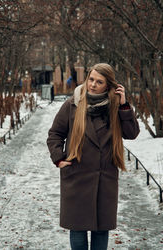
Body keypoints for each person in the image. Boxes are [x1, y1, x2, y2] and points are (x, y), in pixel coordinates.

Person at [47, 63, 140, 250]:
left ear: (108, 85)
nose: (93, 85)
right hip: (77, 176)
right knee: (78, 230)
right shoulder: (72, 104)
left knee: (101, 230)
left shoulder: (115, 107)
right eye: (91, 79)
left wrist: (124, 106)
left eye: (99, 82)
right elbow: (55, 134)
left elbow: (131, 133)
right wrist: (59, 158)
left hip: (104, 178)